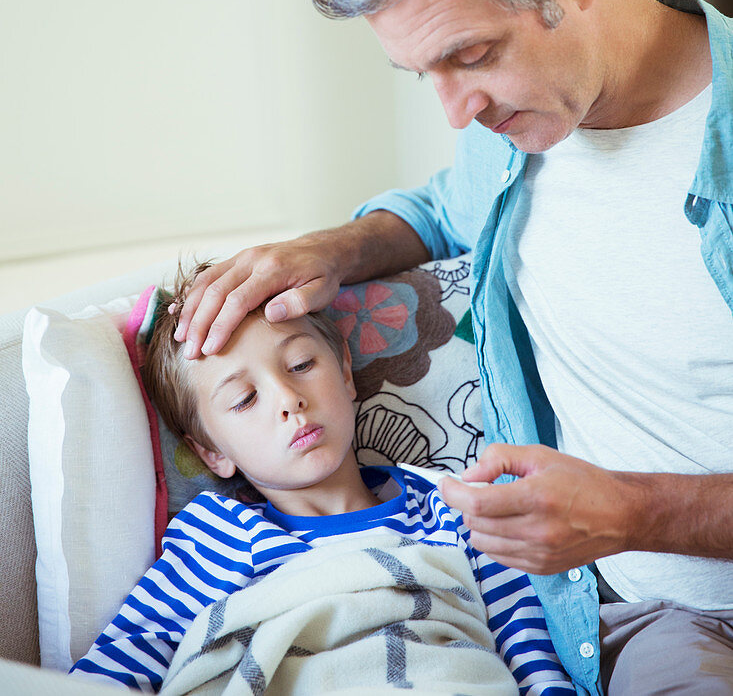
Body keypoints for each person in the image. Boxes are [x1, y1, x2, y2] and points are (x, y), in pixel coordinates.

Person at [173, 0, 733, 696]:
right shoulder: (518, 125)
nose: (454, 111)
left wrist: (632, 510)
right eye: (421, 74)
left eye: (471, 54)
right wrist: (337, 248)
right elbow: (443, 208)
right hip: (619, 621)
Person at [70, 262, 573, 695]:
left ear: (347, 373)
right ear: (211, 453)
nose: (289, 399)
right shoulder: (220, 535)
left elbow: (528, 647)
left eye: (301, 364)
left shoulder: (455, 506)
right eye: (245, 399)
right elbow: (119, 666)